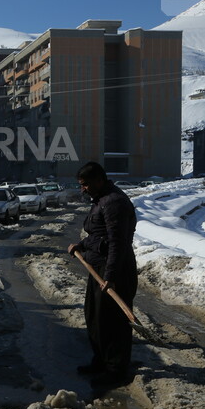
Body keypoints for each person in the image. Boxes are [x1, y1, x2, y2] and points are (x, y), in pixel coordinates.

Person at [66, 161, 138, 386]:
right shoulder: (101, 200)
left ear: (99, 180)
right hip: (99, 268)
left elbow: (118, 243)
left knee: (112, 321)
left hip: (113, 269)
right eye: (81, 185)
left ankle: (116, 370)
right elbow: (99, 235)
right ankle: (101, 360)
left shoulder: (113, 202)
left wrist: (111, 276)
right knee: (95, 317)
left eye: (85, 184)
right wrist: (81, 245)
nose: (83, 189)